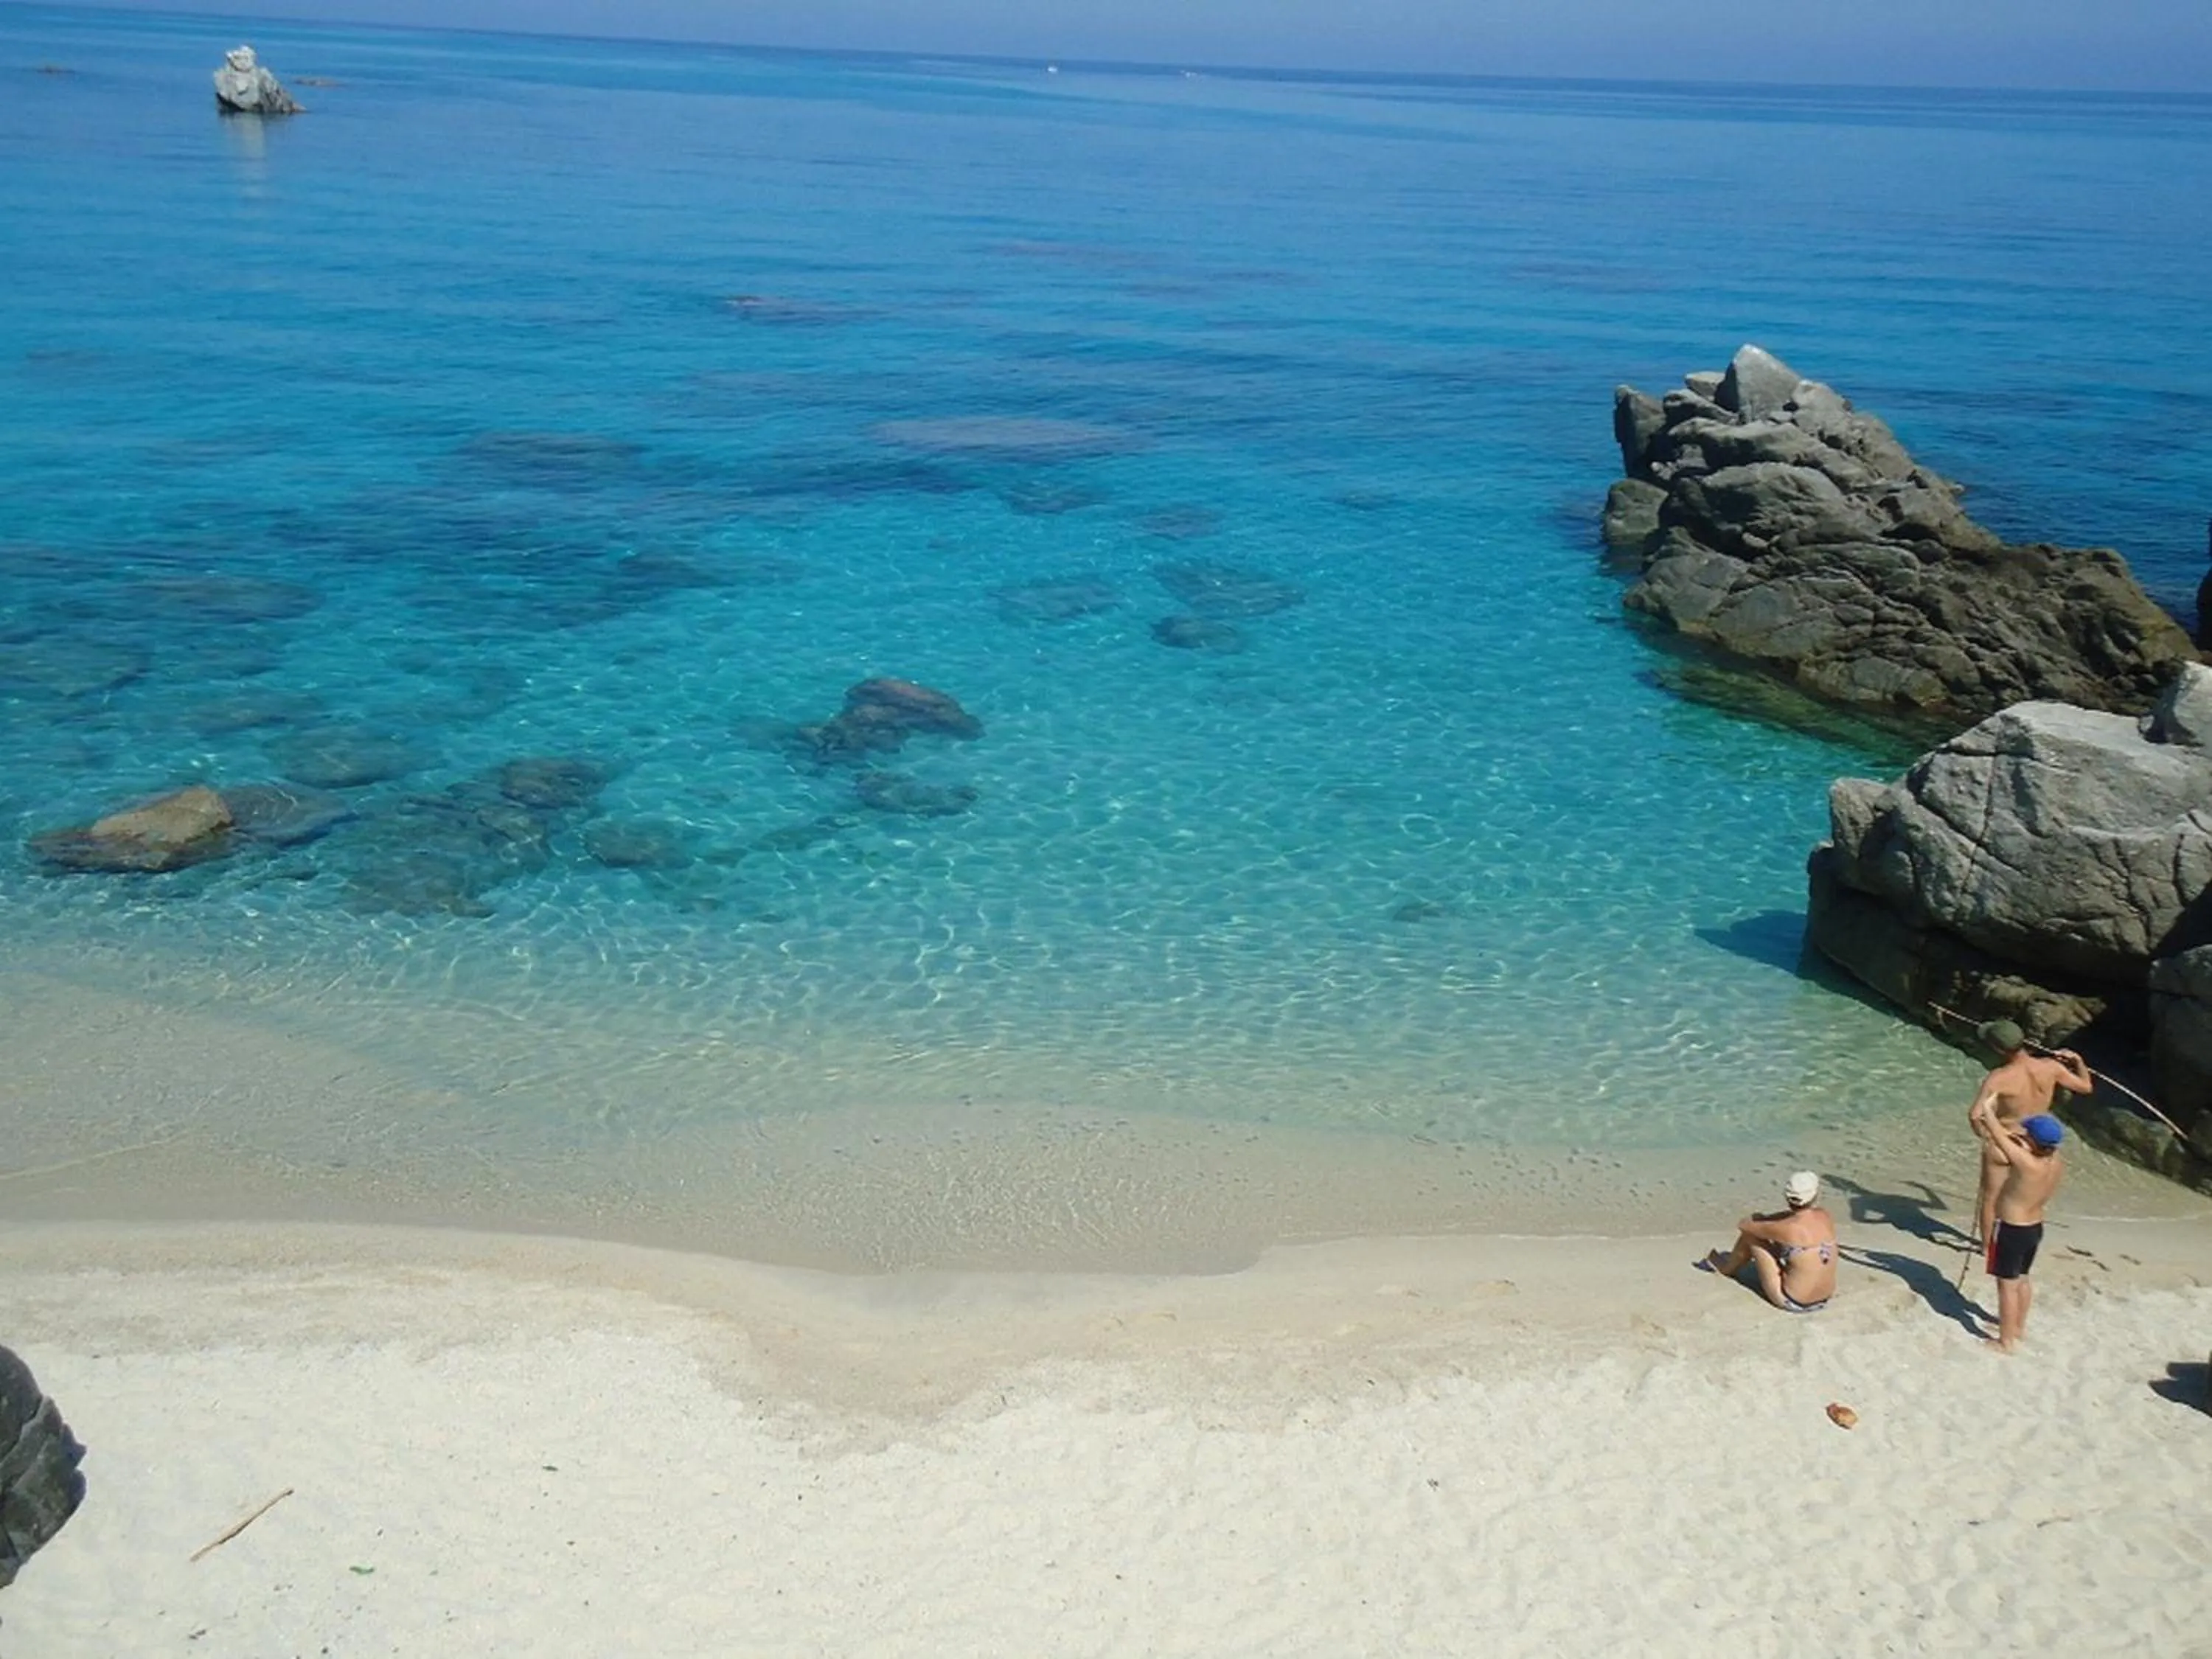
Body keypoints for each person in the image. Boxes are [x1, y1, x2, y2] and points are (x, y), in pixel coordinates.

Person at [1966, 1020, 2090, 1262]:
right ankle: (2018, 1239)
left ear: (1999, 1050)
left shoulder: (1999, 1078)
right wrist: (2078, 1062)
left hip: (2006, 1143)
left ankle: (1987, 1249)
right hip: (2035, 1144)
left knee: (1991, 1198)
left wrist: (1985, 1135)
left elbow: (1975, 1114)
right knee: (2023, 1199)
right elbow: (2085, 1087)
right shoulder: (2051, 1067)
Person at [1968, 1097, 2065, 1352]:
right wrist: (2023, 1137)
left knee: (2006, 1285)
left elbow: (1998, 1137)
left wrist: (1989, 1109)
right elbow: (2027, 1143)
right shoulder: (2054, 1162)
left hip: (2011, 1228)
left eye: (2026, 1133)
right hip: (2034, 1228)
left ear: (2032, 1141)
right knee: (2022, 1279)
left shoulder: (2026, 1163)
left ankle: (2006, 1341)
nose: (2022, 1134)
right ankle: (2017, 1327)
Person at [1698, 1171, 1838, 1312]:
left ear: (1787, 1197)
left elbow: (1743, 1225)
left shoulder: (1788, 1228)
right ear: (1815, 1196)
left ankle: (1726, 1269)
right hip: (1824, 1299)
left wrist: (1758, 1219)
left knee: (1750, 1236)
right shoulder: (1824, 1216)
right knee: (1787, 1246)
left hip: (1793, 1302)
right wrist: (1767, 1222)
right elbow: (1792, 1220)